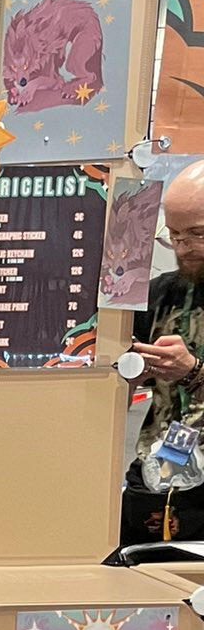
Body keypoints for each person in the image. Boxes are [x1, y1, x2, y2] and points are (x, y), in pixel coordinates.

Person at [122, 160, 204, 543]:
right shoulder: (158, 294)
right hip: (156, 481)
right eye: (174, 235)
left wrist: (193, 372)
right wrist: (127, 375)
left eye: (197, 234)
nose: (183, 249)